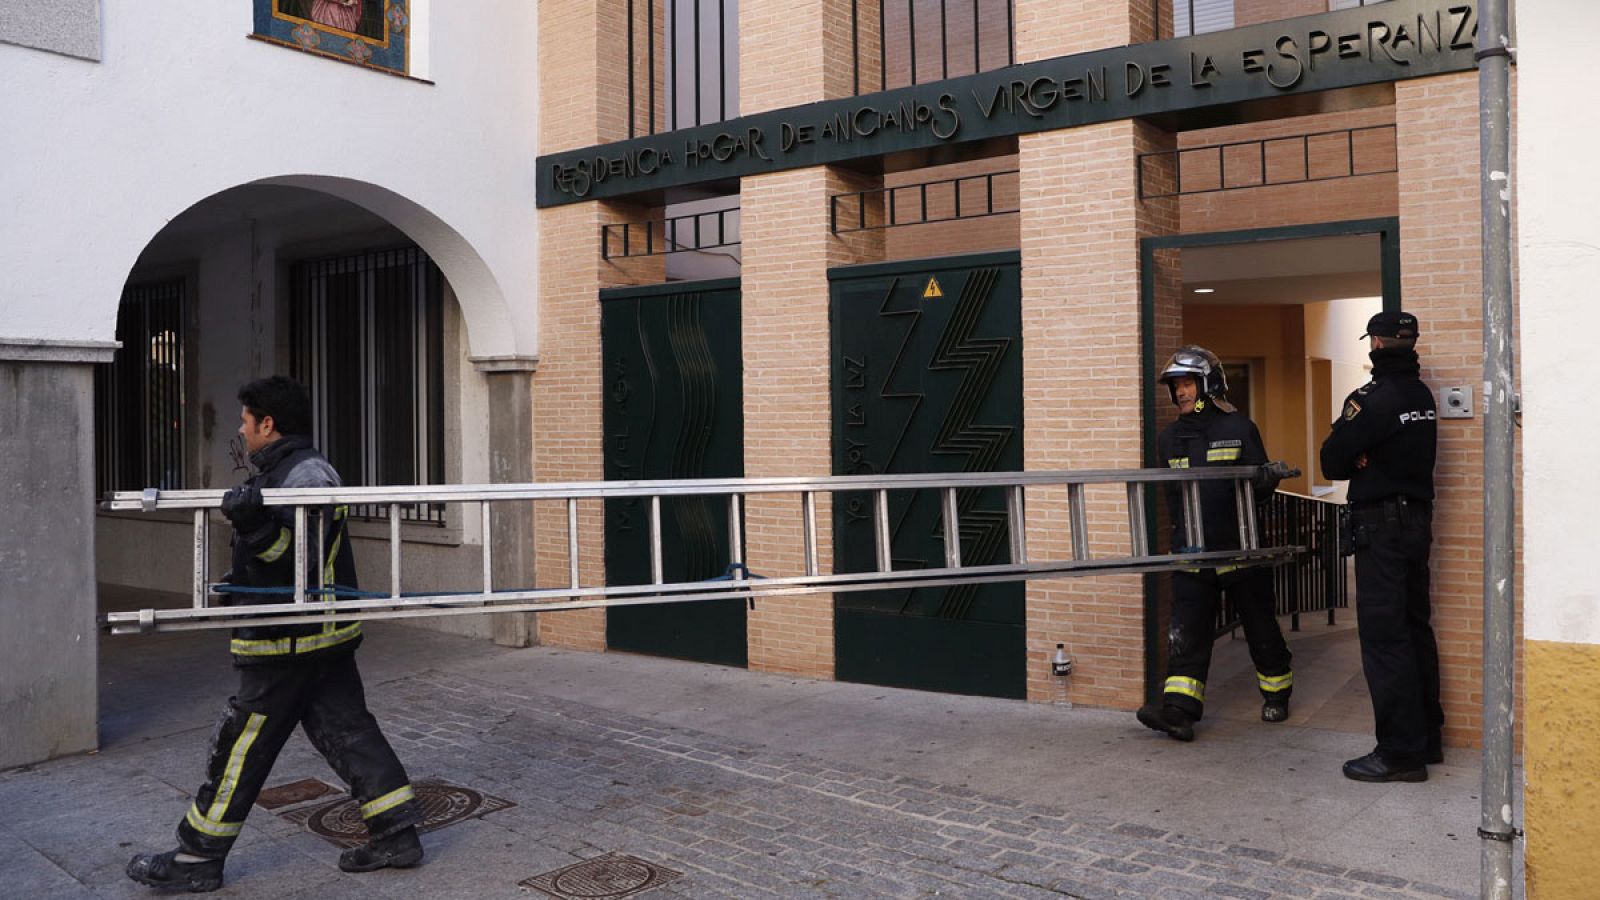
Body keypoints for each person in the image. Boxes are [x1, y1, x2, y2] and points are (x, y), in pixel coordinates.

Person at [127, 376, 423, 892]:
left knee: (240, 746)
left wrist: (254, 526)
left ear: (268, 423)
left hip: (289, 641)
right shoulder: (284, 471)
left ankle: (197, 858)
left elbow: (295, 559)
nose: (241, 430)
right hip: (313, 639)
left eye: (246, 420)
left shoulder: (307, 475)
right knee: (350, 734)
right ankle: (397, 835)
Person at [1137, 346, 1296, 743]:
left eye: (1187, 384)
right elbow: (1173, 498)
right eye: (1176, 386)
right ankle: (1179, 712)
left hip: (1240, 550)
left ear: (1208, 384)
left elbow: (1260, 490)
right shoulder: (1169, 438)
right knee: (1186, 634)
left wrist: (1266, 481)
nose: (1180, 393)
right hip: (1192, 553)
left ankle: (1277, 694)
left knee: (1260, 628)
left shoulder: (1240, 428)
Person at [1320, 311, 1442, 783]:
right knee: (1414, 630)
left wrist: (1358, 455)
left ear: (1374, 343)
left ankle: (1399, 753)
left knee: (1385, 638)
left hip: (1382, 528)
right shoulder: (1420, 395)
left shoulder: (1372, 399)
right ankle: (1425, 740)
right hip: (1416, 524)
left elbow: (1332, 460)